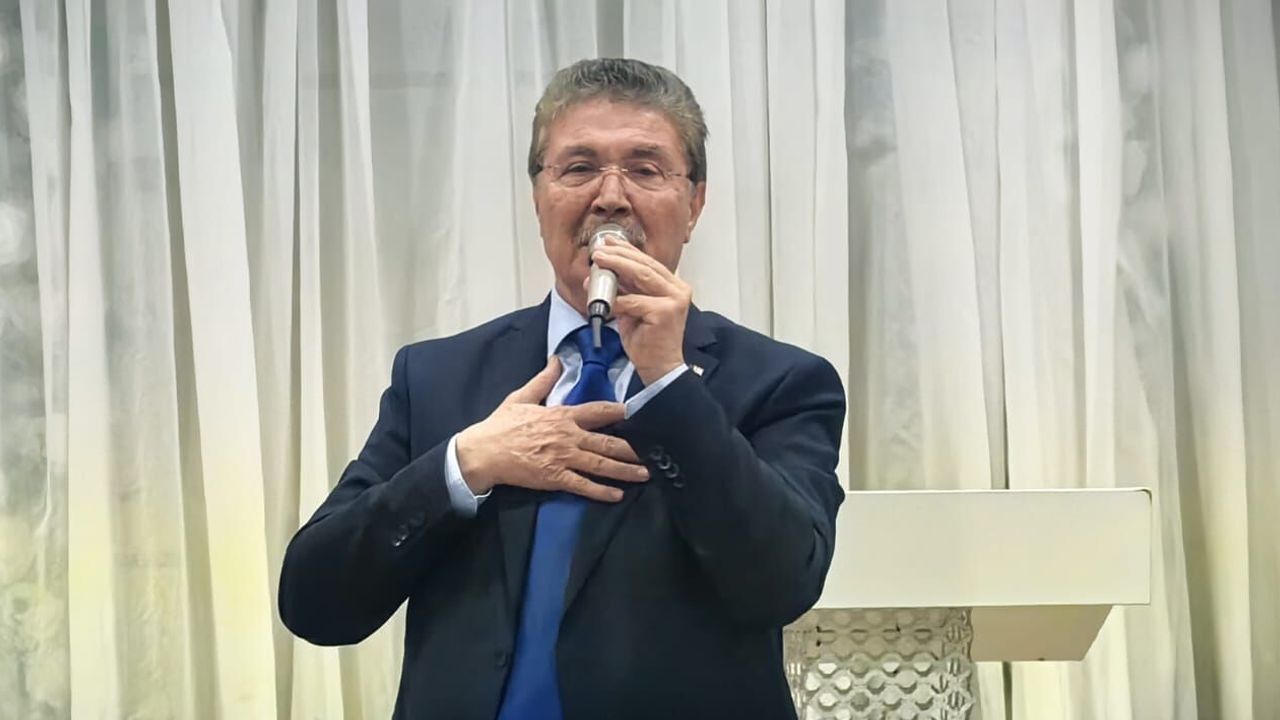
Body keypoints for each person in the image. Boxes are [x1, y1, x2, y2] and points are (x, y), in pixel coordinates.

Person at [278, 57, 846, 720]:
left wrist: (668, 386)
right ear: (538, 196)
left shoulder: (781, 382)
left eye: (645, 169)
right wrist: (464, 465)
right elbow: (315, 603)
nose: (610, 197)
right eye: (579, 168)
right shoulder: (437, 376)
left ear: (694, 205)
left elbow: (782, 583)